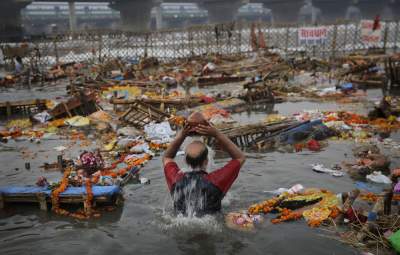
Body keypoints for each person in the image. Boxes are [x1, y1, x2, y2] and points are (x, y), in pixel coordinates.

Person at [162, 123, 246, 216]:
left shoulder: (176, 180)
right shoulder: (216, 181)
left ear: (185, 160)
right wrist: (216, 134)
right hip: (211, 224)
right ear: (206, 160)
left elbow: (167, 157)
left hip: (180, 222)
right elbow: (240, 157)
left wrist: (182, 135)